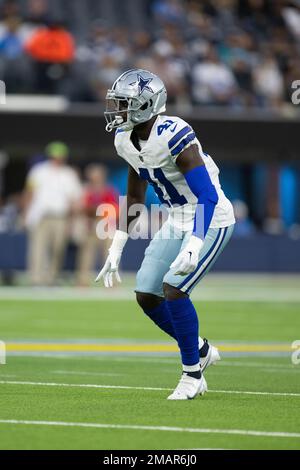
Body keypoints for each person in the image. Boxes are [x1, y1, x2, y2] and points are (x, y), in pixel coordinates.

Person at [96, 69, 235, 400]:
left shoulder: (175, 134)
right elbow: (133, 198)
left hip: (211, 218)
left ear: (146, 105)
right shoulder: (123, 140)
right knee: (146, 292)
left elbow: (208, 197)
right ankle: (199, 349)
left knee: (174, 288)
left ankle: (192, 375)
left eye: (124, 104)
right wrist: (116, 248)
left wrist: (195, 244)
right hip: (177, 218)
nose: (117, 110)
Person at [24, 141, 82, 286]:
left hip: (60, 217)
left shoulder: (69, 174)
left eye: (60, 156)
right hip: (41, 215)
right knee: (38, 248)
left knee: (58, 248)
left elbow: (74, 200)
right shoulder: (38, 171)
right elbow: (29, 193)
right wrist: (25, 213)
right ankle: (36, 279)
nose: (57, 159)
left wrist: (72, 221)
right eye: (55, 156)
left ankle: (52, 277)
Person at [76, 164, 119, 286]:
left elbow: (114, 209)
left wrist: (99, 212)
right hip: (92, 225)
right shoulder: (87, 190)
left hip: (106, 225)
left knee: (110, 254)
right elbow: (83, 208)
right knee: (87, 254)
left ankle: (112, 282)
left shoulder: (109, 190)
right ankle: (83, 281)